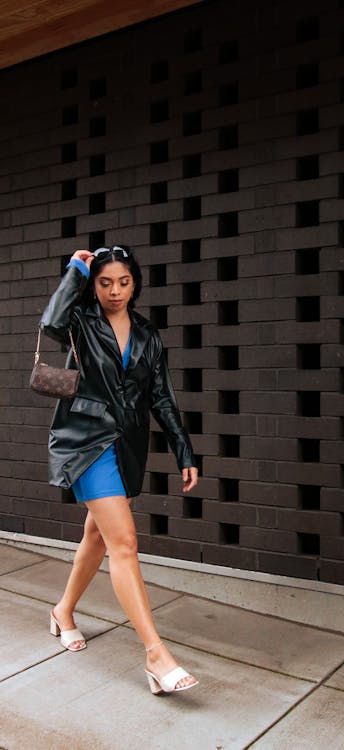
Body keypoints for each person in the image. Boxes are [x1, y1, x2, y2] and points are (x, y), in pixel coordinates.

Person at [40, 245, 199, 694]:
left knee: (97, 535)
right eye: (105, 282)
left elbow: (162, 397)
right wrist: (74, 270)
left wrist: (184, 451)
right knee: (124, 543)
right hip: (86, 441)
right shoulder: (81, 320)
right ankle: (155, 655)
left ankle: (63, 611)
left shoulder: (148, 335)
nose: (114, 291)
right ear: (94, 285)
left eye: (123, 282)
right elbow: (50, 323)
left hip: (128, 444)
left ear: (135, 283)